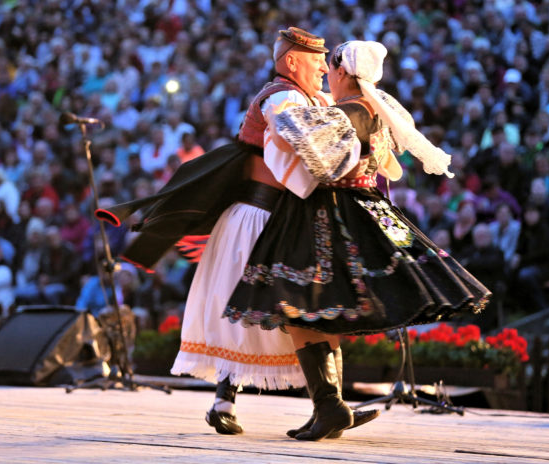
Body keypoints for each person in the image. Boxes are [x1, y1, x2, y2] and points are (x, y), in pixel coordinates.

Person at [97, 28, 377, 436]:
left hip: (285, 217)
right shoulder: (280, 97)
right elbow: (311, 149)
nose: (322, 66)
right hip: (257, 216)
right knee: (254, 310)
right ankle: (237, 403)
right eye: (316, 59)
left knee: (306, 308)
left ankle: (328, 406)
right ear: (293, 61)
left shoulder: (310, 98)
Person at [225, 41, 490, 440]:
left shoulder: (348, 111)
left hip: (329, 210)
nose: (326, 75)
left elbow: (315, 155)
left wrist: (285, 115)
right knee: (325, 307)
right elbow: (383, 163)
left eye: (330, 67)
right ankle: (328, 408)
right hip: (361, 205)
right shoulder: (374, 108)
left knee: (299, 306)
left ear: (343, 72)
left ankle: (329, 406)